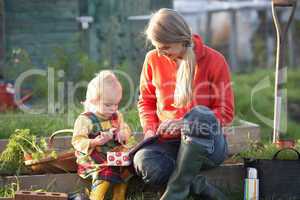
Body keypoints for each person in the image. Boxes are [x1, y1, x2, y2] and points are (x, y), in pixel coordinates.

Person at [133, 8, 234, 200]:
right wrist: (149, 130)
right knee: (144, 161)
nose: (161, 53)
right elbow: (146, 101)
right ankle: (198, 186)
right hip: (169, 144)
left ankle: (175, 192)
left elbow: (226, 112)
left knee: (200, 114)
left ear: (180, 39)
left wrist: (185, 124)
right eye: (157, 48)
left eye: (165, 48)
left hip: (207, 145)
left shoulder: (214, 60)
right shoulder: (152, 59)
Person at [72, 70, 131, 200]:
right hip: (94, 160)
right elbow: (77, 141)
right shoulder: (85, 120)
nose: (113, 108)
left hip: (113, 156)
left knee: (126, 169)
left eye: (116, 104)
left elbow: (126, 128)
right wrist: (95, 142)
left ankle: (119, 195)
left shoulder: (116, 116)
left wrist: (123, 133)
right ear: (93, 101)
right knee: (105, 171)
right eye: (108, 105)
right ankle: (96, 196)